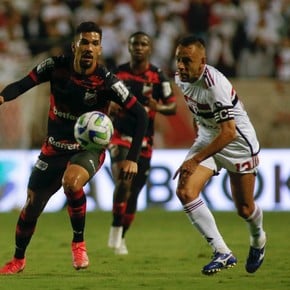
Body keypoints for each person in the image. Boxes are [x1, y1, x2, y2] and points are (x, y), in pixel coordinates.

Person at [0, 21, 148, 275]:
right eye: (84, 42)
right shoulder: (55, 67)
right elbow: (23, 84)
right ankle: (18, 259)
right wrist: (2, 96)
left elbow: (140, 114)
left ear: (100, 49)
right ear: (75, 46)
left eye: (94, 43)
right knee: (32, 205)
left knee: (72, 182)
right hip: (53, 147)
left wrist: (133, 157)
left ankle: (78, 242)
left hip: (87, 148)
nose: (89, 47)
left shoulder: (106, 80)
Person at [173, 34, 266, 275]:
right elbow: (198, 110)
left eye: (187, 61)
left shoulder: (216, 86)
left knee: (244, 209)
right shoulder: (181, 79)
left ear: (202, 61)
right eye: (178, 60)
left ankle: (258, 240)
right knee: (185, 190)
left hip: (238, 146)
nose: (181, 66)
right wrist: (199, 139)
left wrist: (195, 159)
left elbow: (229, 132)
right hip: (208, 137)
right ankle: (222, 252)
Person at [107, 31, 177, 255]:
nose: (139, 47)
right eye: (135, 43)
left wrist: (159, 108)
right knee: (124, 179)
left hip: (144, 140)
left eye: (143, 44)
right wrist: (110, 105)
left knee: (134, 193)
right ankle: (115, 228)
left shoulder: (159, 77)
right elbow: (103, 98)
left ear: (150, 48)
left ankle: (122, 236)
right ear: (128, 47)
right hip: (118, 135)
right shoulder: (117, 73)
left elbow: (172, 107)